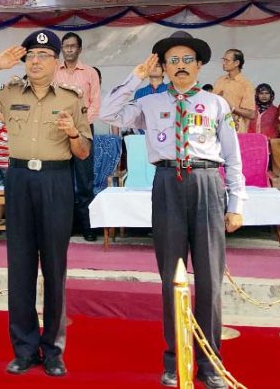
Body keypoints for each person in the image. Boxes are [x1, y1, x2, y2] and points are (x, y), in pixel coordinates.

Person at [99, 30, 244, 389]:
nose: (180, 67)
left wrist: (236, 203)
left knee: (209, 276)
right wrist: (136, 76)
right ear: (163, 67)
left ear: (199, 65)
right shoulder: (150, 104)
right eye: (173, 61)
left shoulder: (216, 105)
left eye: (187, 60)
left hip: (208, 184)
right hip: (166, 185)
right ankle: (175, 357)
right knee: (171, 276)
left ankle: (210, 363)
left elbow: (233, 157)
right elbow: (107, 112)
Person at [0, 29, 92, 378]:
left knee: (54, 267)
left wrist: (72, 132)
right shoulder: (10, 91)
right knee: (20, 265)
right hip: (19, 179)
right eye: (30, 56)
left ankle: (53, 350)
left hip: (56, 180)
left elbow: (83, 152)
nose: (35, 61)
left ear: (57, 61)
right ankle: (24, 348)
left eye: (43, 56)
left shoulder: (72, 97)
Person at [55, 31, 99, 241]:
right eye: (66, 46)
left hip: (83, 132)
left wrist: (81, 125)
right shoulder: (54, 72)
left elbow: (95, 103)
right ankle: (65, 226)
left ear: (80, 49)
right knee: (61, 180)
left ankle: (87, 227)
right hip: (58, 132)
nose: (69, 49)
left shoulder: (90, 73)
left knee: (84, 181)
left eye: (73, 46)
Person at [213, 48, 256, 134]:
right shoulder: (219, 81)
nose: (224, 63)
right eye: (223, 60)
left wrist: (231, 107)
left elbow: (251, 114)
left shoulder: (246, 84)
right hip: (217, 130)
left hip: (237, 132)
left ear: (236, 63)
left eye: (227, 60)